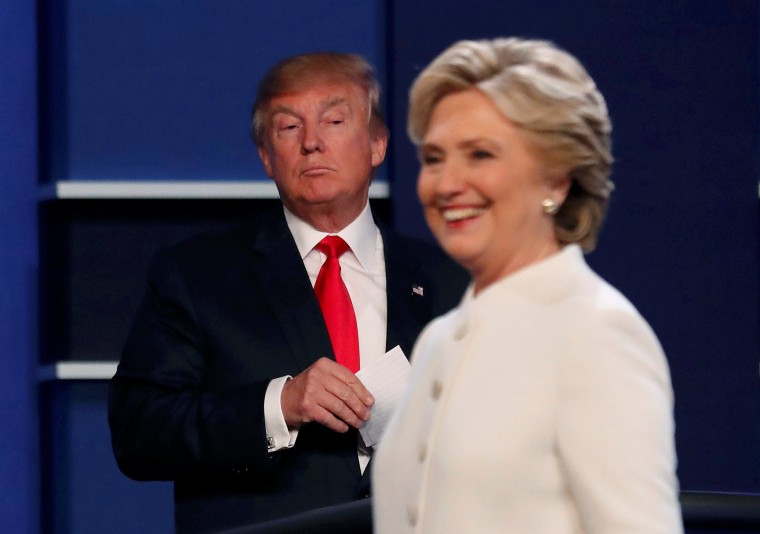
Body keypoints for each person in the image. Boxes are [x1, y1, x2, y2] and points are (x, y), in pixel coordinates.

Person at [108, 52, 469, 533]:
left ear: (377, 143)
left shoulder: (453, 280)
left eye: (335, 120)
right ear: (265, 156)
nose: (313, 144)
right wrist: (279, 404)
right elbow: (140, 432)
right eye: (288, 127)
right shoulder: (196, 276)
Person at [372, 38, 682, 533]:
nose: (447, 184)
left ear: (556, 179)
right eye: (433, 158)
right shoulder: (437, 340)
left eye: (479, 154)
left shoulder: (595, 333)